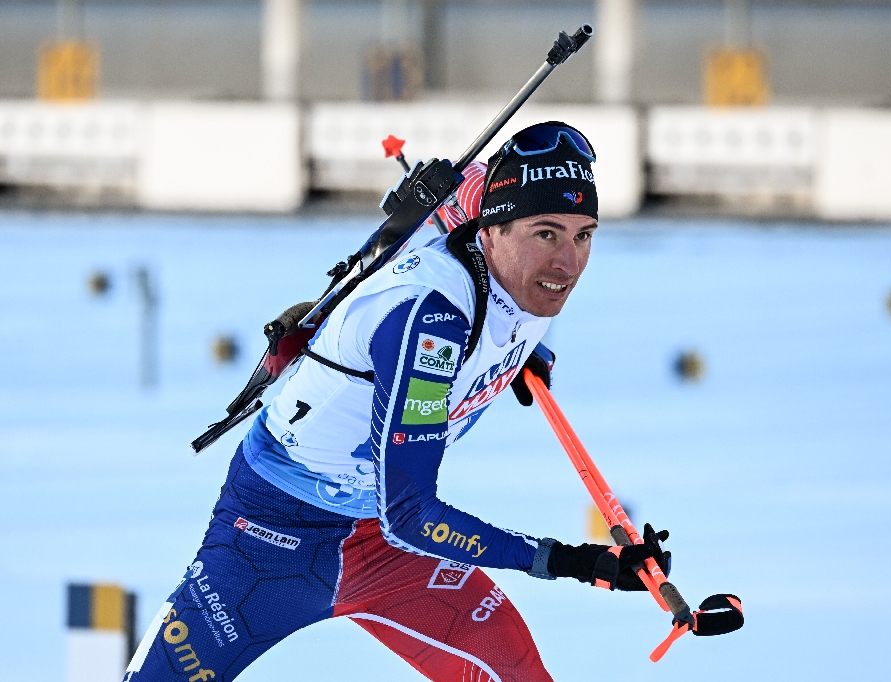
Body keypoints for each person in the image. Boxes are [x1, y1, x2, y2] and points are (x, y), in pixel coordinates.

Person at [123, 122, 671, 682]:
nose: (567, 263)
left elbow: (472, 189)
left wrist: (516, 353)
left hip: (385, 549)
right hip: (275, 541)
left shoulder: (516, 262)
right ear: (493, 231)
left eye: (584, 236)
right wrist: (573, 561)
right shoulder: (429, 322)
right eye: (546, 234)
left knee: (517, 674)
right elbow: (411, 515)